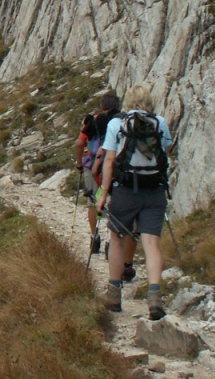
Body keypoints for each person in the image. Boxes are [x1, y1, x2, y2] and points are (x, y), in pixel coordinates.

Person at [95, 85, 173, 319]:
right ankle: (155, 298)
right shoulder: (159, 122)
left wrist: (103, 194)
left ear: (127, 102)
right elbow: (165, 152)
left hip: (125, 191)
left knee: (117, 241)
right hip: (154, 191)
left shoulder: (116, 124)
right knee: (151, 244)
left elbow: (109, 160)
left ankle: (114, 296)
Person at [74, 93, 121, 255]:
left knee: (93, 201)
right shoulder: (122, 121)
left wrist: (79, 163)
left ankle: (95, 237)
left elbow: (79, 143)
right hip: (115, 166)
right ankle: (110, 241)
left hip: (93, 164)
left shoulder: (93, 120)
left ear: (102, 106)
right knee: (112, 202)